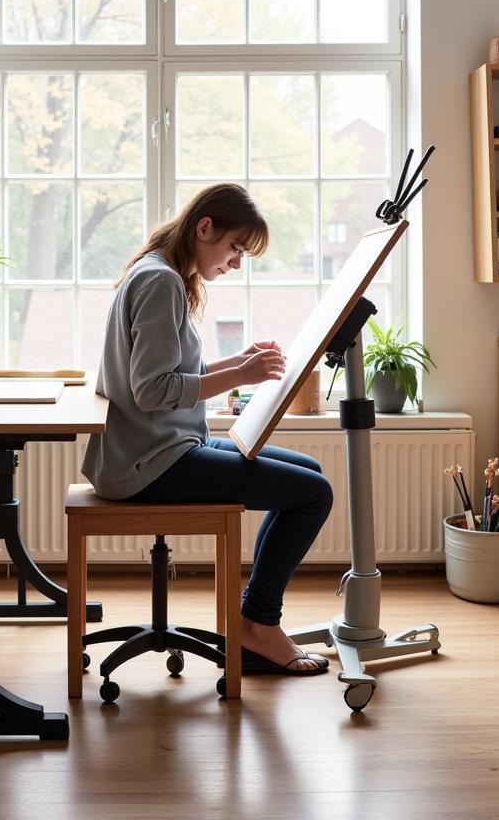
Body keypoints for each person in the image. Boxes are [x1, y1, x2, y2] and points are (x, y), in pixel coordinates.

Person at [82, 183, 333, 675]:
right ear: (204, 228)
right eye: (235, 247)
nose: (237, 262)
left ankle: (255, 620)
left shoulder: (157, 272)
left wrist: (235, 362)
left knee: (309, 472)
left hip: (160, 447)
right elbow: (152, 390)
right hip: (149, 462)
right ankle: (258, 625)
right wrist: (239, 377)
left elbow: (166, 374)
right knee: (312, 494)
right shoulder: (162, 282)